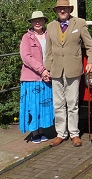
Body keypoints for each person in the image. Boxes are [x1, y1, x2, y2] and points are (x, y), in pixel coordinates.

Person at [45, 0, 92, 147]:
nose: (62, 11)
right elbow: (48, 51)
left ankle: (74, 133)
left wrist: (91, 61)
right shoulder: (51, 26)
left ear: (69, 10)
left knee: (72, 103)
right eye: (60, 9)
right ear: (56, 11)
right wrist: (46, 69)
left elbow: (90, 45)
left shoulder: (79, 23)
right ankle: (61, 134)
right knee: (58, 104)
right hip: (56, 70)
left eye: (65, 9)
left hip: (73, 69)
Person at [19, 11, 53, 143]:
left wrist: (49, 71)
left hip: (47, 76)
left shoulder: (48, 35)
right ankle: (35, 132)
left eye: (40, 20)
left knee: (44, 105)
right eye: (35, 21)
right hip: (32, 78)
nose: (37, 22)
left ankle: (42, 131)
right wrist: (42, 70)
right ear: (31, 23)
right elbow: (26, 57)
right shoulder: (26, 38)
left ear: (44, 21)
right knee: (33, 106)